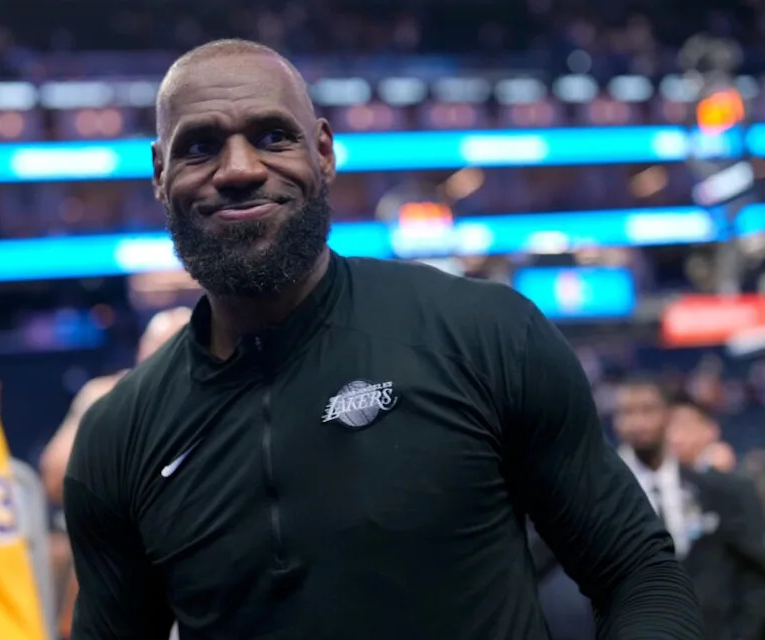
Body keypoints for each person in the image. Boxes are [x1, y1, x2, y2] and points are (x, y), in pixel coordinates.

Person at [63, 39, 704, 639]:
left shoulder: (482, 333)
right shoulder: (119, 435)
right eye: (200, 146)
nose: (238, 170)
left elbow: (638, 575)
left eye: (271, 137)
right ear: (158, 173)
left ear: (323, 152)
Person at [39, 306, 191, 639]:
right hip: (121, 563)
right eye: (164, 347)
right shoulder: (108, 395)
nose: (174, 361)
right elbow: (54, 478)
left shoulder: (223, 403)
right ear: (142, 351)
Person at [614, 379, 765, 640]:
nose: (638, 423)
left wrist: (745, 633)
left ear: (667, 418)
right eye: (627, 413)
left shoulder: (721, 489)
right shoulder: (605, 497)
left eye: (647, 411)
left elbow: (755, 571)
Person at [667, 396, 737, 473]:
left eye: (685, 426)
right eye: (668, 427)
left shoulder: (716, 466)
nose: (674, 436)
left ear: (710, 430)